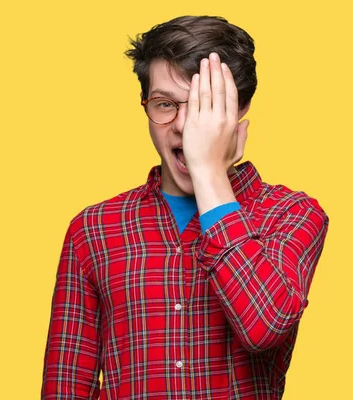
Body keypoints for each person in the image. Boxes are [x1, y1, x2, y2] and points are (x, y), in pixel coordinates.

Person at [40, 15, 329, 400]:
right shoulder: (92, 229)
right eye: (164, 104)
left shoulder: (291, 213)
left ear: (239, 109)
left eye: (203, 107)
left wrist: (209, 170)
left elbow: (264, 326)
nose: (182, 127)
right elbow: (66, 386)